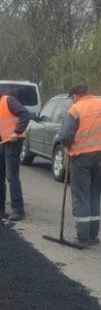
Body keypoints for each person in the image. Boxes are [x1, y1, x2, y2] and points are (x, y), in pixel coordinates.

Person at [59, 83, 101, 247]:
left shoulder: (75, 110)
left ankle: (83, 237)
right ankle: (93, 235)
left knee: (81, 196)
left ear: (75, 96)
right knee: (94, 194)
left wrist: (67, 147)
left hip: (82, 157)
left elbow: (66, 136)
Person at [0, 84, 30, 221]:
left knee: (11, 176)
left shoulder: (9, 100)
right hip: (4, 143)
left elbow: (25, 114)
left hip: (13, 143)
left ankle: (18, 210)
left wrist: (17, 132)